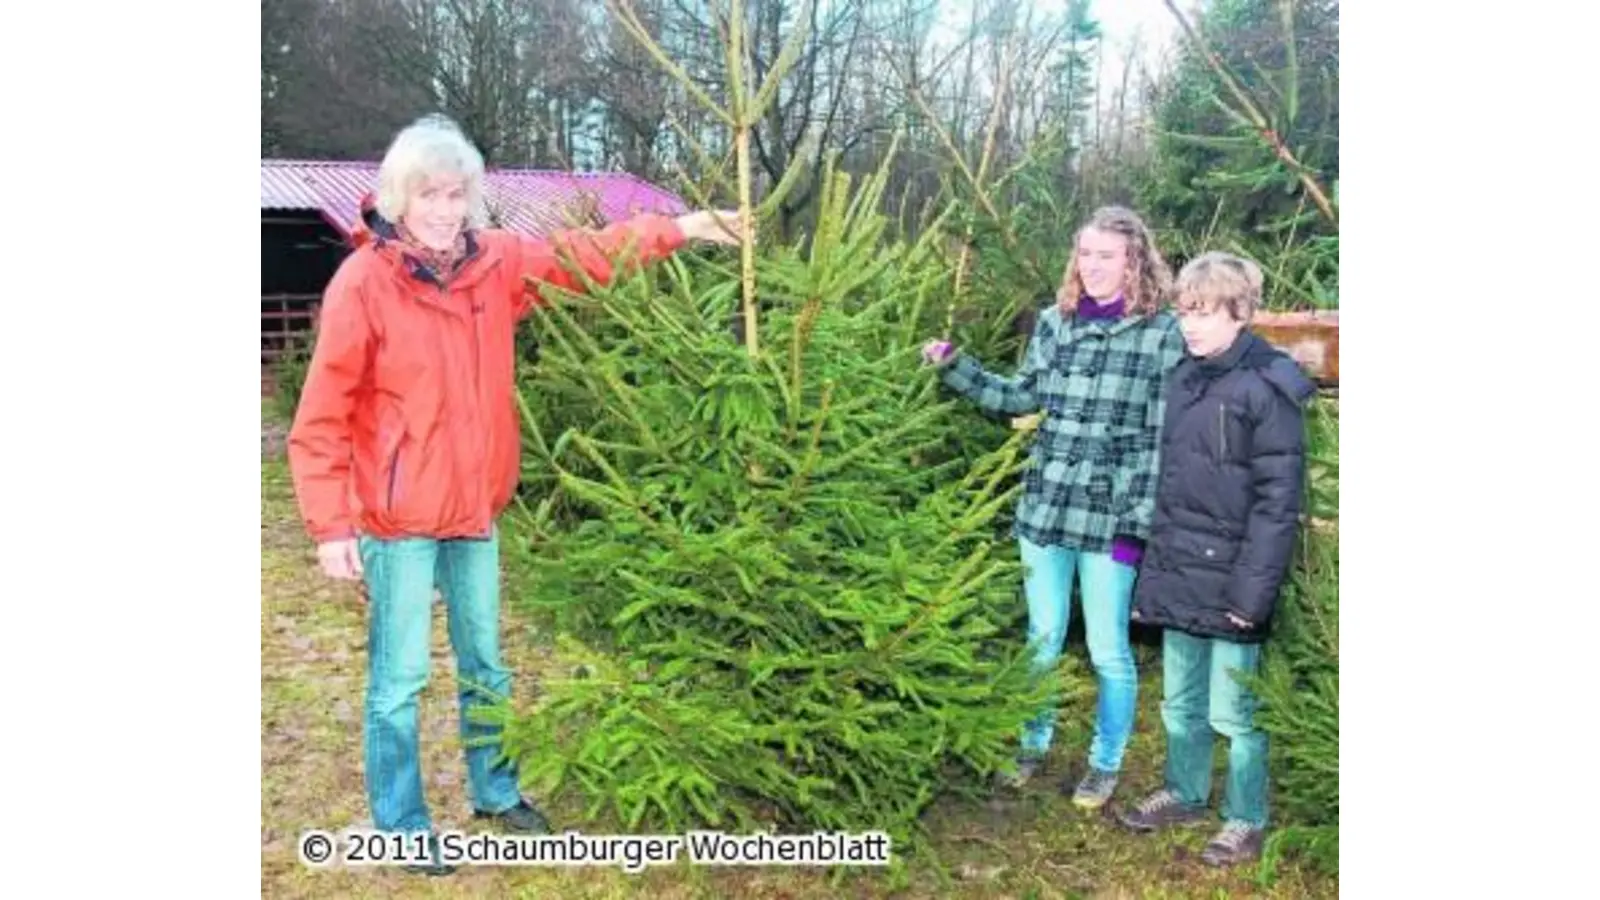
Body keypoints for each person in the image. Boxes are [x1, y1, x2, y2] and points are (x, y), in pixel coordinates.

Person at [286, 114, 741, 875]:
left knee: (488, 666)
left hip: (475, 511)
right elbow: (322, 415)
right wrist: (331, 527)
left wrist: (682, 228)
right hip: (397, 519)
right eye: (428, 195)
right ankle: (400, 824)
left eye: (454, 194)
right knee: (399, 681)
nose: (443, 210)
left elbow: (583, 255)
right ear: (399, 198)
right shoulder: (363, 283)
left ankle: (496, 791)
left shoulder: (494, 263)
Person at [921, 206, 1185, 810]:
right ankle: (1030, 743)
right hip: (1045, 510)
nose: (1093, 266)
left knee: (1108, 649)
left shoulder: (1161, 334)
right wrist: (956, 366)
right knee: (1041, 639)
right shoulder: (1054, 323)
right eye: (1085, 254)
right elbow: (1020, 396)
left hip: (1110, 520)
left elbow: (1158, 439)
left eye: (1106, 255)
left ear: (1135, 261)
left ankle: (1104, 763)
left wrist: (1136, 527)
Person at [1114, 252, 1315, 867]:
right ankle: (1184, 790)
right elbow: (1174, 485)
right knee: (1179, 701)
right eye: (1184, 313)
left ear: (1241, 312)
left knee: (1234, 712)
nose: (1190, 326)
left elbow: (1278, 504)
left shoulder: (1268, 388)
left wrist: (1251, 596)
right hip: (1182, 568)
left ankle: (1245, 818)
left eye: (1204, 314)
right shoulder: (1185, 378)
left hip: (1234, 578)